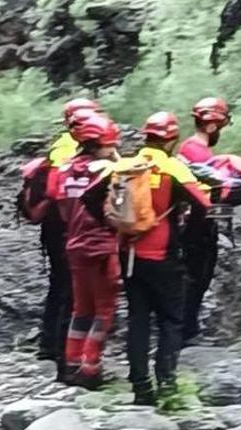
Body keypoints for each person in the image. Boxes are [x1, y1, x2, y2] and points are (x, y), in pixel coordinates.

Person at [107, 111, 211, 405]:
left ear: (146, 136)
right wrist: (190, 233)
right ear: (172, 139)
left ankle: (141, 388)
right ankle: (166, 382)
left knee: (138, 319)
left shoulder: (126, 166)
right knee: (170, 320)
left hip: (128, 252)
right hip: (162, 254)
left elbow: (92, 198)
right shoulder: (172, 168)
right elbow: (203, 203)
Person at [47, 113, 121, 389]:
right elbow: (120, 210)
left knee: (81, 308)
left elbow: (63, 208)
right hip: (103, 246)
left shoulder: (65, 169)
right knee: (104, 310)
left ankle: (72, 363)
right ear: (101, 143)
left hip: (74, 244)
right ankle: (91, 369)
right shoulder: (108, 170)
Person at [33, 100, 102, 368]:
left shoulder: (62, 144)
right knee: (68, 286)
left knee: (60, 284)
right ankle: (59, 346)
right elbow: (63, 188)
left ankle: (51, 343)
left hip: (59, 223)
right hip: (65, 223)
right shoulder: (68, 147)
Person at [177, 97, 231, 344]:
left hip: (199, 221)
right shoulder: (195, 150)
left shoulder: (197, 149)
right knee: (195, 276)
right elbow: (212, 185)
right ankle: (186, 331)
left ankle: (188, 328)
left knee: (199, 276)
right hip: (195, 223)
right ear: (212, 126)